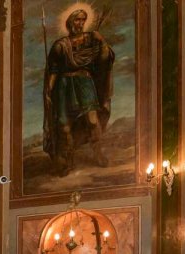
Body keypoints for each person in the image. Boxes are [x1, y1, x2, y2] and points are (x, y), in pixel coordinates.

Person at [42, 8, 115, 175]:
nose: (80, 23)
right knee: (64, 125)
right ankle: (67, 161)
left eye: (83, 20)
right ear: (70, 23)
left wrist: (102, 40)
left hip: (85, 83)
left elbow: (105, 58)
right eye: (77, 20)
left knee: (92, 120)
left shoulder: (92, 39)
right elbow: (53, 69)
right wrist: (49, 89)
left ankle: (98, 154)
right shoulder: (60, 45)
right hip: (64, 86)